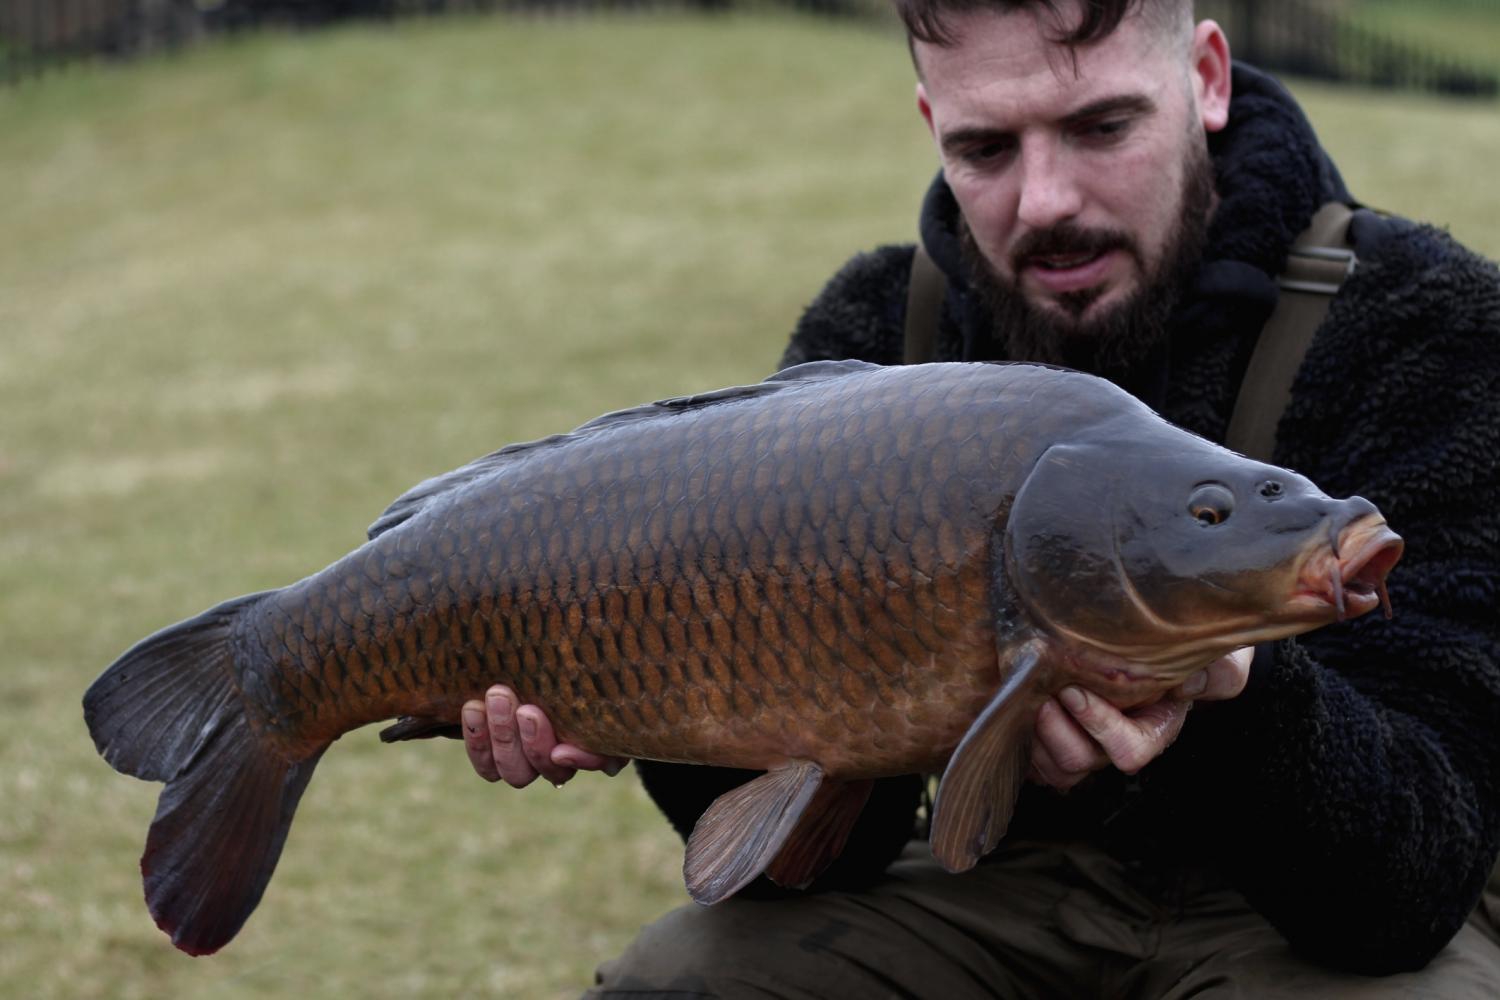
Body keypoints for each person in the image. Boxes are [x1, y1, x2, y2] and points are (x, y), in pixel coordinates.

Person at [460, 1, 1500, 994]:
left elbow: (1407, 892)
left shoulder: (1424, 324)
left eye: (1101, 127)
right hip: (996, 888)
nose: (1045, 201)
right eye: (987, 149)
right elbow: (829, 861)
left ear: (1207, 80)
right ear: (932, 124)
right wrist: (639, 695)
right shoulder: (881, 327)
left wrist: (1227, 692)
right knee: (686, 976)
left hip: (1308, 918)